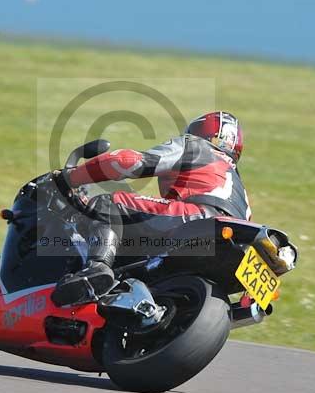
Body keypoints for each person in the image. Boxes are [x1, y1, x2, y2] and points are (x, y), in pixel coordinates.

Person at [50, 111, 252, 306]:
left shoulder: (195, 146)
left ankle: (96, 269)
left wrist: (71, 177)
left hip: (199, 219)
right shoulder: (239, 186)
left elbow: (132, 162)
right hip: (233, 244)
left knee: (108, 203)